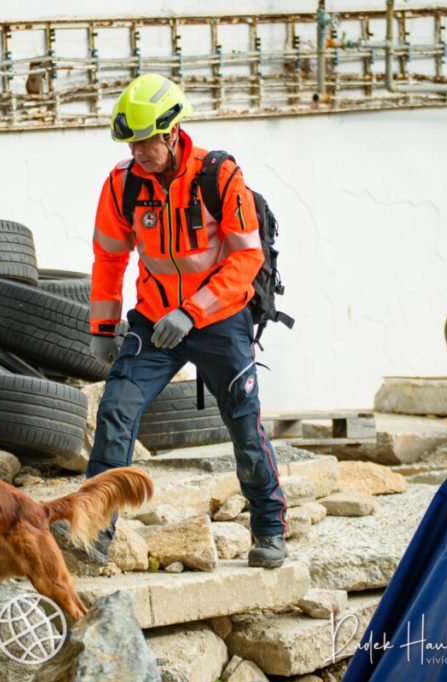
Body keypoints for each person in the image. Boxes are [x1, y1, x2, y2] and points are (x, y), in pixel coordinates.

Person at [54, 73, 288, 568]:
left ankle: (269, 528)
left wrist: (193, 310)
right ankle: (93, 531)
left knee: (244, 427)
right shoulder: (122, 184)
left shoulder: (219, 176)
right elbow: (109, 259)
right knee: (116, 410)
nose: (138, 152)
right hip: (154, 322)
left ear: (172, 131)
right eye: (131, 143)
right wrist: (102, 329)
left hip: (220, 320)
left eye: (146, 142)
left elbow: (247, 258)